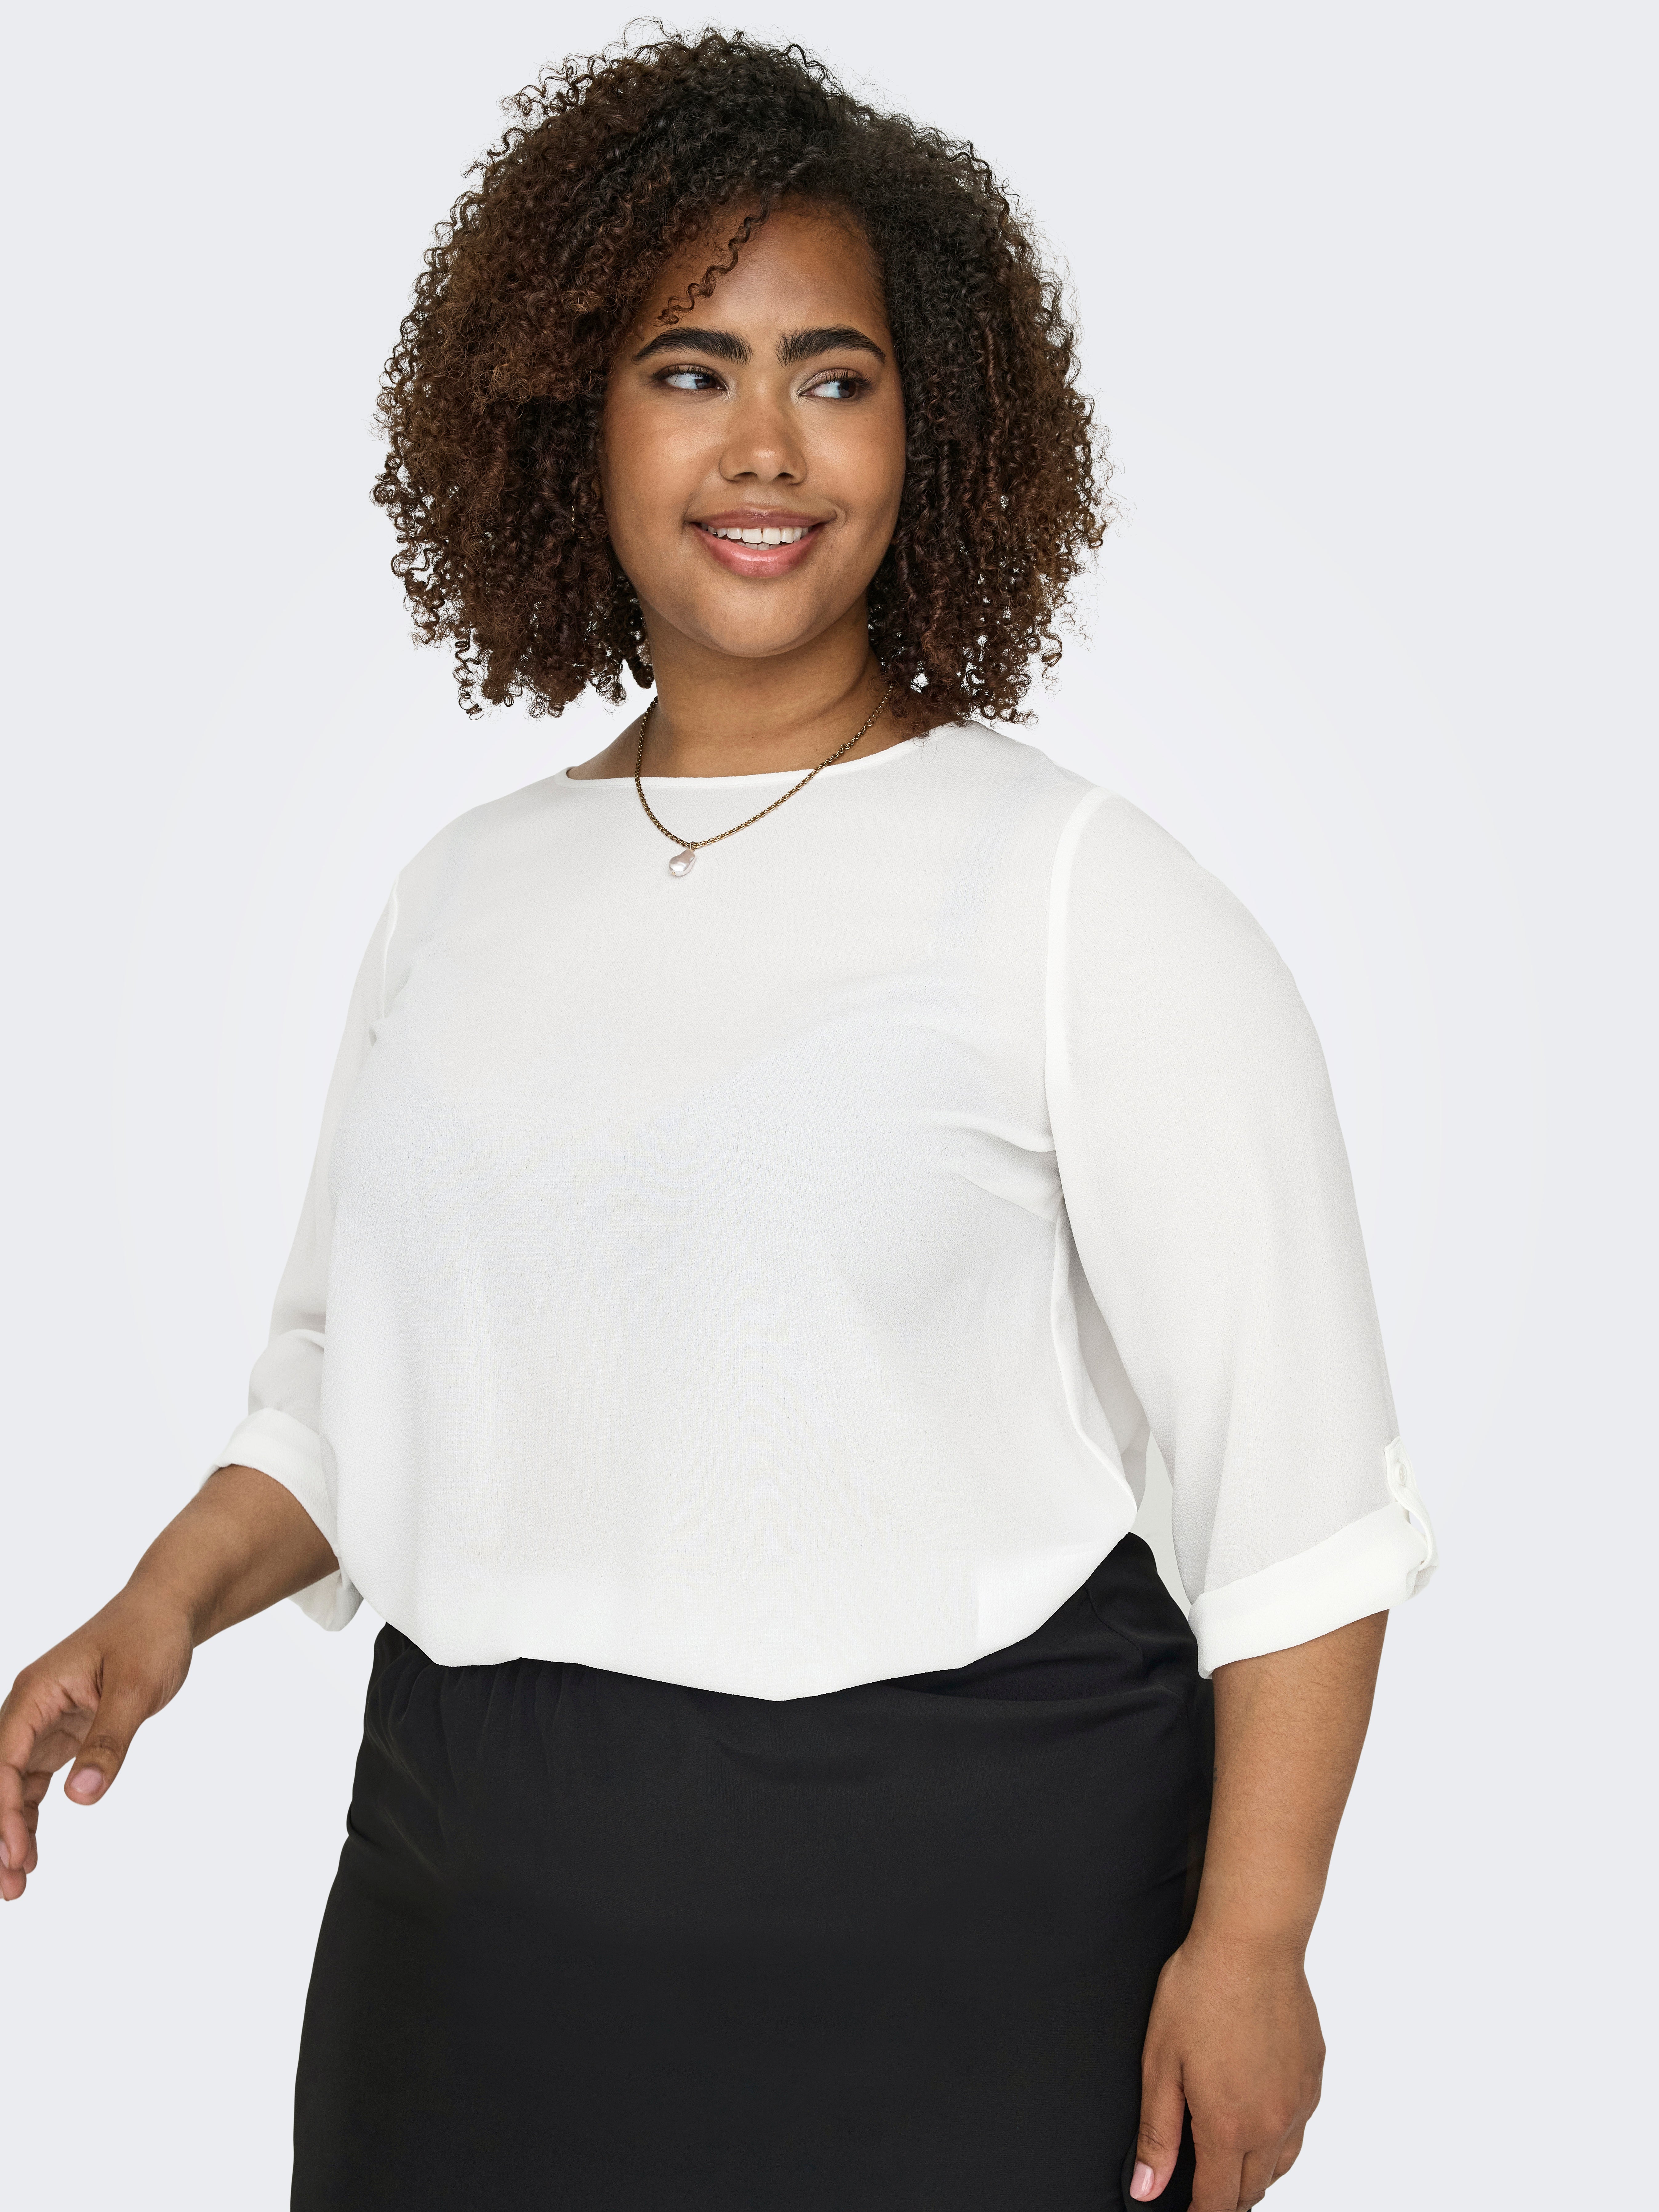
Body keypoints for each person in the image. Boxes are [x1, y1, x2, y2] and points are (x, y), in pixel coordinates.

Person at [0, 29, 1437, 2212]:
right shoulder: (460, 894)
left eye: (835, 376)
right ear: (566, 417)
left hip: (967, 1926)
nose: (766, 444)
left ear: (931, 428)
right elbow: (340, 1392)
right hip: (474, 1924)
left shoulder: (1075, 890)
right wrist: (157, 1611)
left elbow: (1299, 1488)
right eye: (690, 370)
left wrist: (1254, 1944)